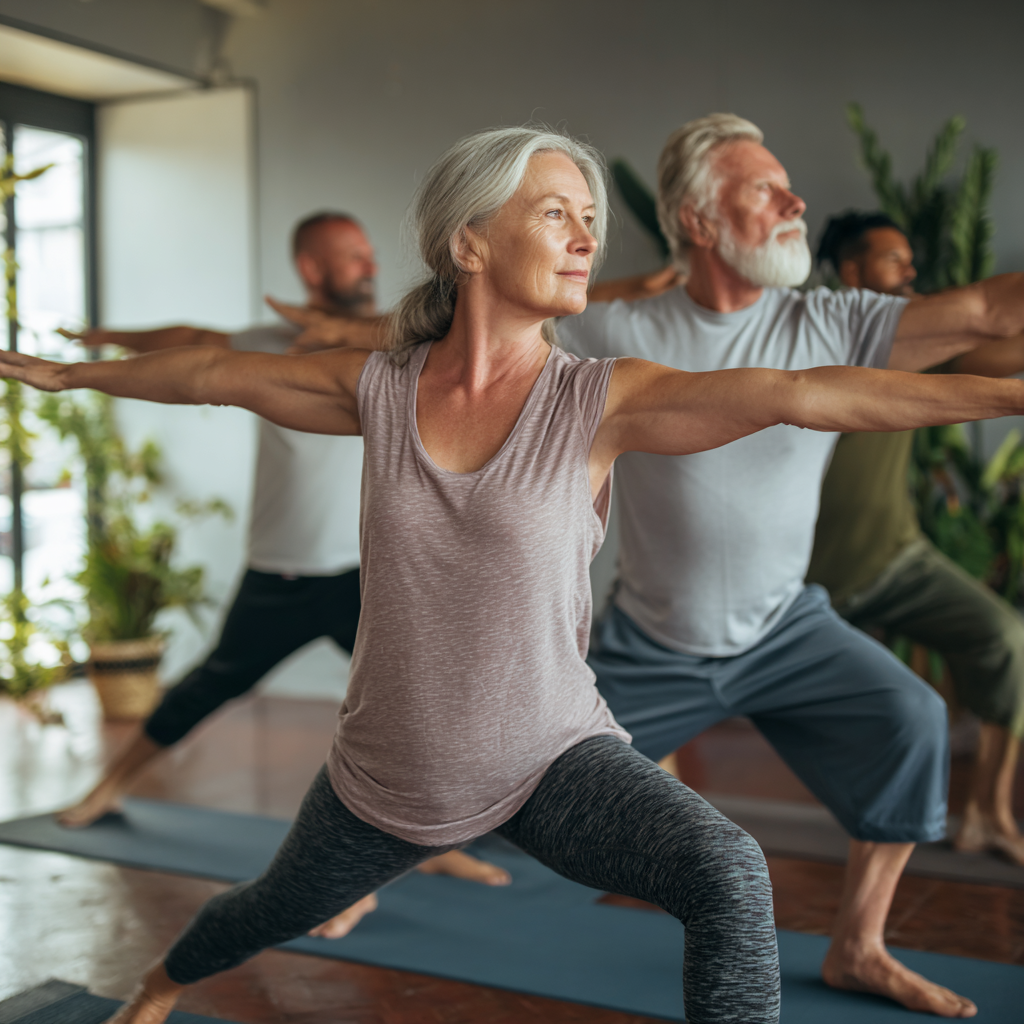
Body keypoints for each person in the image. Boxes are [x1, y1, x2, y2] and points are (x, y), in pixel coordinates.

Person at [7, 125, 1022, 1024]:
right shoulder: (378, 387)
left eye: (589, 215)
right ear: (470, 243)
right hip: (384, 776)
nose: (587, 235)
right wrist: (68, 374)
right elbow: (211, 375)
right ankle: (157, 987)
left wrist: (1001, 397)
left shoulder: (602, 398)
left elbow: (809, 394)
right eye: (555, 213)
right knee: (258, 913)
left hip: (548, 760)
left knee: (727, 871)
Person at [553, 114, 1024, 1019]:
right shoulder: (617, 327)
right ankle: (360, 878)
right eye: (763, 188)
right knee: (503, 763)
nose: (794, 200)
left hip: (785, 628)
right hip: (652, 637)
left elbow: (987, 311)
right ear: (697, 220)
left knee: (911, 719)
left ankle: (859, 946)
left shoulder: (833, 318)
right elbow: (480, 328)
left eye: (786, 184)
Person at [57, 212, 510, 935]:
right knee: (211, 685)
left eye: (369, 254)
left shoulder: (399, 345)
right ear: (310, 270)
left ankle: (435, 844)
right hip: (277, 573)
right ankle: (106, 787)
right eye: (351, 258)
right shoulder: (270, 343)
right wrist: (104, 341)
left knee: (422, 702)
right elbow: (192, 343)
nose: (368, 266)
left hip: (358, 575)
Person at [809, 210, 1024, 867]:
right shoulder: (804, 332)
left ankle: (988, 812)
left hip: (897, 561)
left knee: (1003, 636)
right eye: (892, 259)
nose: (911, 270)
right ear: (850, 272)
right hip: (803, 584)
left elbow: (1001, 351)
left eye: (910, 258)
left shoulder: (915, 341)